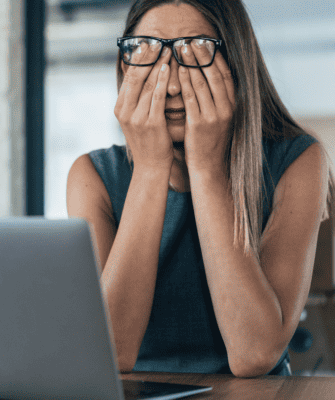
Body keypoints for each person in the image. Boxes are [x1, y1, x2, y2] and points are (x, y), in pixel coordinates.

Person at [66, 0, 333, 378]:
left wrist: (206, 167)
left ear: (236, 65)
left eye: (197, 52)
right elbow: (110, 352)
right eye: (150, 53)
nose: (172, 84)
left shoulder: (299, 161)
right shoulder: (91, 175)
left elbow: (254, 354)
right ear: (126, 67)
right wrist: (151, 168)